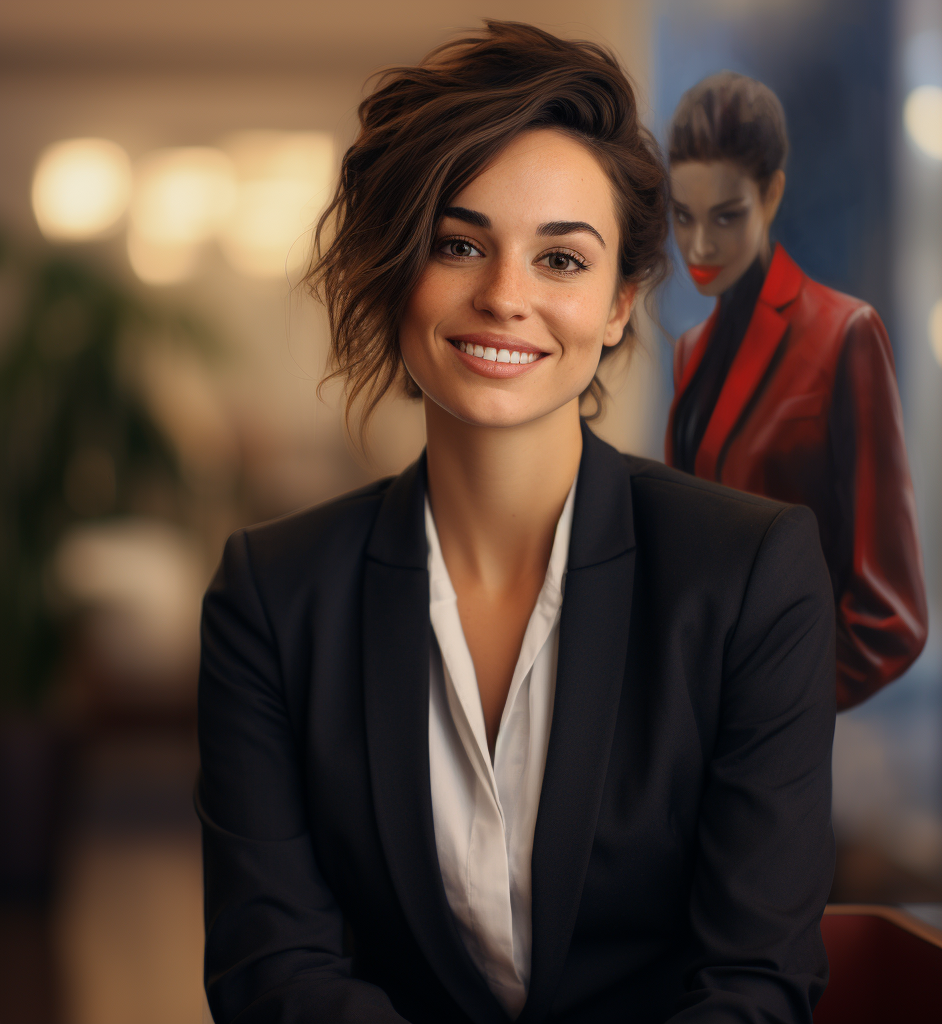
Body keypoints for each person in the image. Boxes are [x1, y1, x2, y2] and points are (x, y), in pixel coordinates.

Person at [198, 24, 836, 1024]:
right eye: (459, 245)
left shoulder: (750, 574)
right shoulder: (273, 597)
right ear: (396, 270)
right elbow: (271, 968)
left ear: (621, 301)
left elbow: (754, 983)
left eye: (561, 260)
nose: (504, 296)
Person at [664, 72, 928, 712]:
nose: (698, 246)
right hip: (694, 726)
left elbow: (892, 613)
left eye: (726, 217)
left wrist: (782, 711)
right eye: (683, 217)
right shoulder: (691, 351)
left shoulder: (845, 336)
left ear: (772, 195)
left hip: (771, 737)